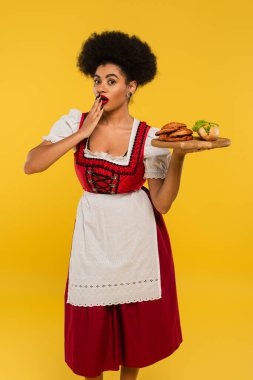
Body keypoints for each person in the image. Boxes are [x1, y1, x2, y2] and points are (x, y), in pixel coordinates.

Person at [24, 30, 207, 380]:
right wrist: (80, 134)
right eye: (97, 80)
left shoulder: (151, 138)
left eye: (111, 80)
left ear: (132, 86)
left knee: (133, 318)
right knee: (92, 322)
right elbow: (32, 164)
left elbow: (162, 204)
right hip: (94, 229)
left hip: (135, 231)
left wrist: (179, 157)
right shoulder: (74, 123)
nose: (101, 87)